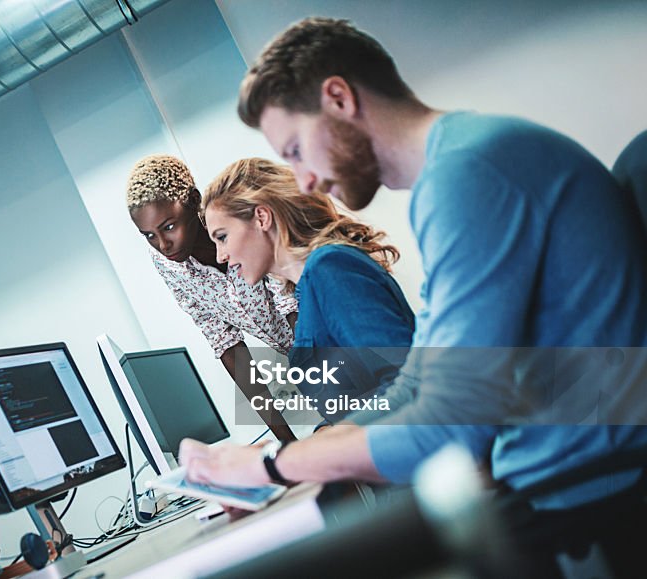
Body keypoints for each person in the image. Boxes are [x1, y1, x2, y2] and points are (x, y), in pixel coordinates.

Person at [180, 17, 647, 573]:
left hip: (584, 499)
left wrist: (272, 468)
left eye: (298, 149)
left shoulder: (470, 174)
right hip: (555, 484)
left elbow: (448, 425)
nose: (301, 180)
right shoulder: (457, 172)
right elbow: (416, 384)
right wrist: (274, 459)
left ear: (339, 99)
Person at [201, 157, 414, 426]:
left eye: (222, 237)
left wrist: (315, 448)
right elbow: (354, 403)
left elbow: (407, 385)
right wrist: (322, 433)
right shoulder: (307, 291)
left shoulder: (330, 268)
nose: (221, 255)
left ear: (261, 218)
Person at [126, 154, 298, 442]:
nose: (163, 245)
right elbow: (225, 343)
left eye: (169, 226)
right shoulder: (168, 265)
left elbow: (291, 304)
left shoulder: (241, 221)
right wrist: (287, 442)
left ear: (194, 201)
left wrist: (330, 393)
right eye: (149, 236)